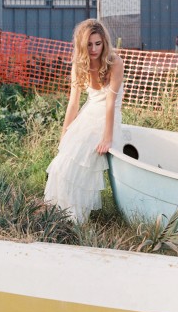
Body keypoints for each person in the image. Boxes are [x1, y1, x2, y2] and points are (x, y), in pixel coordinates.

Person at [44, 19, 124, 223]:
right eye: (89, 44)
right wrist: (64, 134)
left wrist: (107, 138)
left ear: (104, 42)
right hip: (89, 114)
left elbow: (110, 103)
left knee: (82, 163)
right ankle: (58, 213)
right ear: (82, 45)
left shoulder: (115, 62)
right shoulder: (79, 65)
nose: (94, 49)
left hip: (107, 117)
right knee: (62, 163)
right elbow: (73, 104)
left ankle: (76, 218)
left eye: (98, 43)